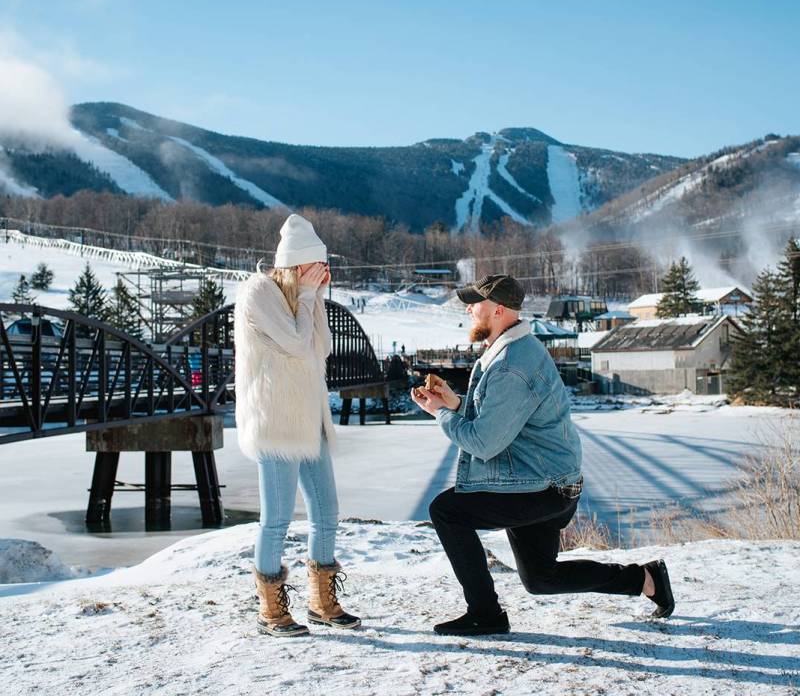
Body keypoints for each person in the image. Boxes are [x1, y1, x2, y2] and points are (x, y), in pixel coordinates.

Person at [411, 274, 674, 636]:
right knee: (541, 579)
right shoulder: (507, 351)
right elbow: (498, 419)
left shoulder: (511, 365)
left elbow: (485, 443)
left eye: (476, 303)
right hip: (541, 480)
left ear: (499, 310)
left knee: (447, 511)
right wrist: (453, 404)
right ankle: (647, 580)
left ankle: (485, 613)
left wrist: (440, 414)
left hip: (543, 487)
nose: (469, 309)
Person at [234, 213, 361, 637]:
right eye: (315, 267)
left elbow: (318, 349)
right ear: (294, 265)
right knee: (276, 519)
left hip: (311, 417)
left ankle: (322, 601)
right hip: (276, 422)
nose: (321, 275)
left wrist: (314, 298)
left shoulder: (308, 297)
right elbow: (291, 341)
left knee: (327, 512)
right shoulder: (258, 293)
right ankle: (270, 609)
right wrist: (307, 296)